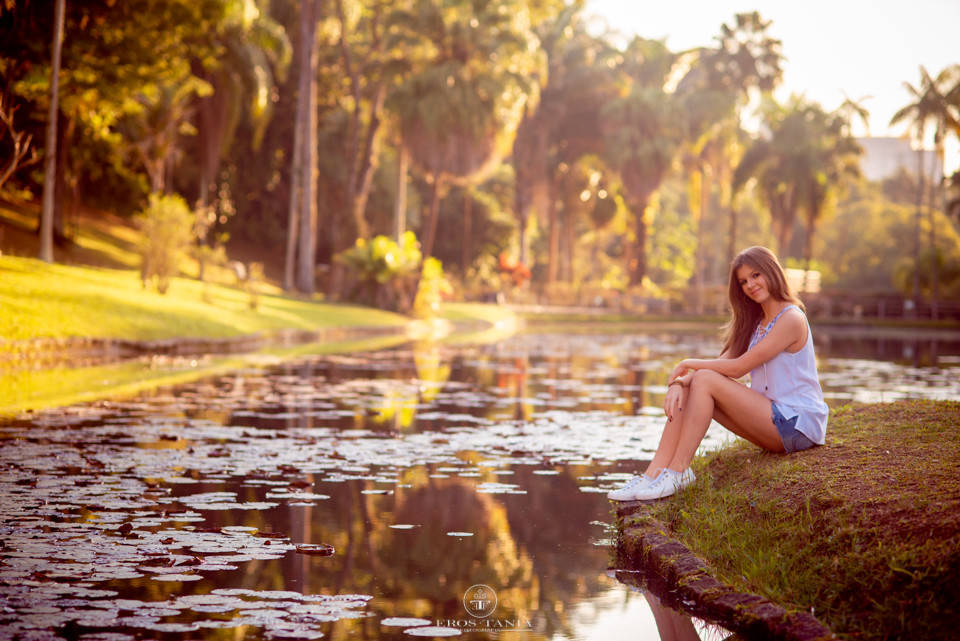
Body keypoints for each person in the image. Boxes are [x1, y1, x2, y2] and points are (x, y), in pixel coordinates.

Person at [609, 246, 828, 502]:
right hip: (773, 422)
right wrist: (681, 382)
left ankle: (679, 471)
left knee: (704, 379)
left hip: (797, 424)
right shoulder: (756, 323)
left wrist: (687, 363)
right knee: (699, 383)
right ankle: (652, 475)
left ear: (772, 271)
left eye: (756, 275)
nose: (750, 285)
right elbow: (720, 364)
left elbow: (737, 369)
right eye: (743, 281)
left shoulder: (791, 318)